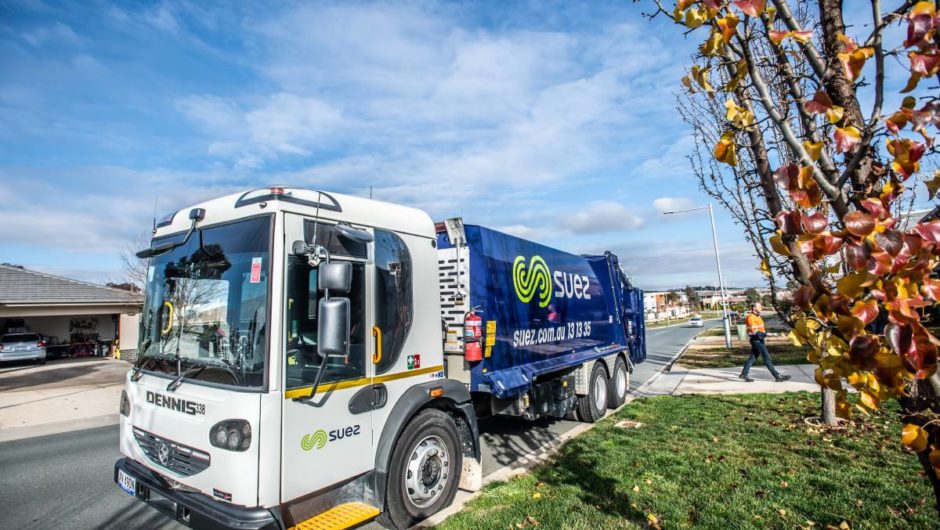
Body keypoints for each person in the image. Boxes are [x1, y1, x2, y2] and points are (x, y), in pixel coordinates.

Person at [739, 303, 791, 383]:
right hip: (757, 340)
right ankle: (777, 376)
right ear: (754, 308)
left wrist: (768, 334)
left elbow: (761, 330)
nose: (761, 308)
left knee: (752, 358)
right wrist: (770, 334)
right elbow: (755, 332)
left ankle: (744, 374)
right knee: (767, 358)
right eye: (759, 306)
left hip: (759, 340)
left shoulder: (758, 316)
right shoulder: (751, 317)